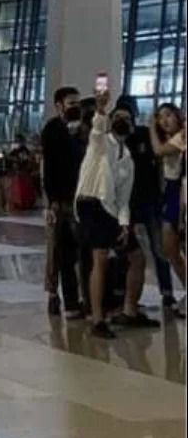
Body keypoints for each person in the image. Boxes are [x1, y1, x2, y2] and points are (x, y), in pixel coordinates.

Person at [75, 88, 145, 337]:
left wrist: (124, 224)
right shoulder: (101, 144)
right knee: (100, 258)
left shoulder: (128, 159)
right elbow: (97, 129)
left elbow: (124, 197)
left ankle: (130, 311)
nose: (121, 121)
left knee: (137, 257)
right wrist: (101, 108)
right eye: (117, 117)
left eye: (126, 118)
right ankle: (97, 319)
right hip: (92, 203)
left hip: (112, 209)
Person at [122, 96, 176, 312]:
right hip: (128, 202)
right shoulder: (116, 141)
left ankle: (167, 291)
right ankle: (124, 294)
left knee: (160, 248)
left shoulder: (145, 134)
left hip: (151, 199)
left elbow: (160, 157)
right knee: (128, 250)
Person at [41, 85, 86, 319]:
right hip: (59, 200)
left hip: (79, 199)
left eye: (78, 103)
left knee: (75, 251)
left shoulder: (83, 130)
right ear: (59, 106)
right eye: (71, 103)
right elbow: (49, 168)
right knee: (55, 249)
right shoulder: (52, 130)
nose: (75, 107)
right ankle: (52, 293)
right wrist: (50, 202)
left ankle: (76, 299)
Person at [148, 102, 187, 316]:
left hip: (181, 192)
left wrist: (151, 128)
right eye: (160, 117)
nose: (164, 120)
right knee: (170, 249)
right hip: (170, 193)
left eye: (168, 115)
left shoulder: (182, 136)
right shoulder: (172, 137)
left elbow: (159, 151)